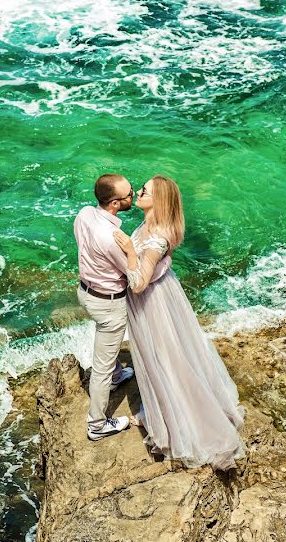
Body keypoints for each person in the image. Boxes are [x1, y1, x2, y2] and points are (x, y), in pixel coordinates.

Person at [113, 175, 245, 471]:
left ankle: (178, 419)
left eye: (145, 190)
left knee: (165, 358)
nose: (139, 192)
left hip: (153, 303)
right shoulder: (146, 224)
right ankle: (162, 408)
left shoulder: (157, 237)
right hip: (158, 298)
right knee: (164, 355)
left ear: (158, 201)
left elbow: (139, 284)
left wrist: (129, 251)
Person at [73, 173, 136, 441]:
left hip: (85, 292)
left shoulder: (85, 213)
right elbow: (133, 275)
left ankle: (117, 373)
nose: (133, 195)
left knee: (104, 344)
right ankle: (97, 425)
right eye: (129, 194)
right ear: (113, 203)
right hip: (108, 304)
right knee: (101, 367)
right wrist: (132, 251)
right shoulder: (112, 237)